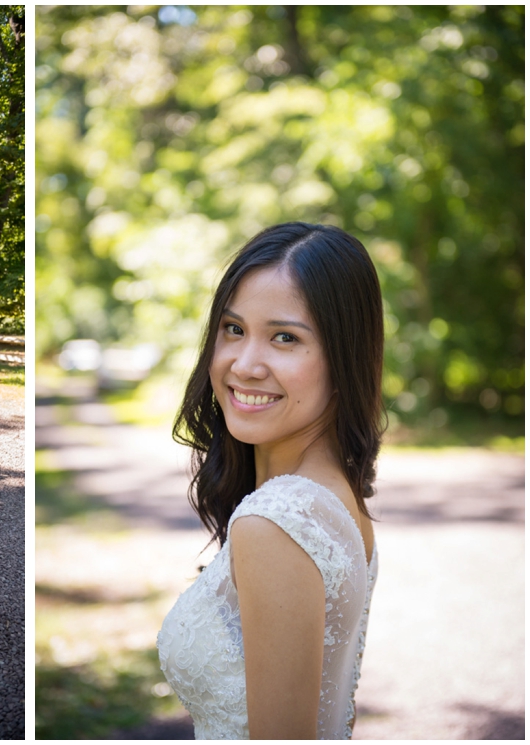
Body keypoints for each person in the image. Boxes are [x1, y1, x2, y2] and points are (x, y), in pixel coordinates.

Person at [157, 223, 383, 739]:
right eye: (234, 329)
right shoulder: (334, 497)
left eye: (285, 337)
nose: (245, 364)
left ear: (343, 356)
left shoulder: (277, 523)